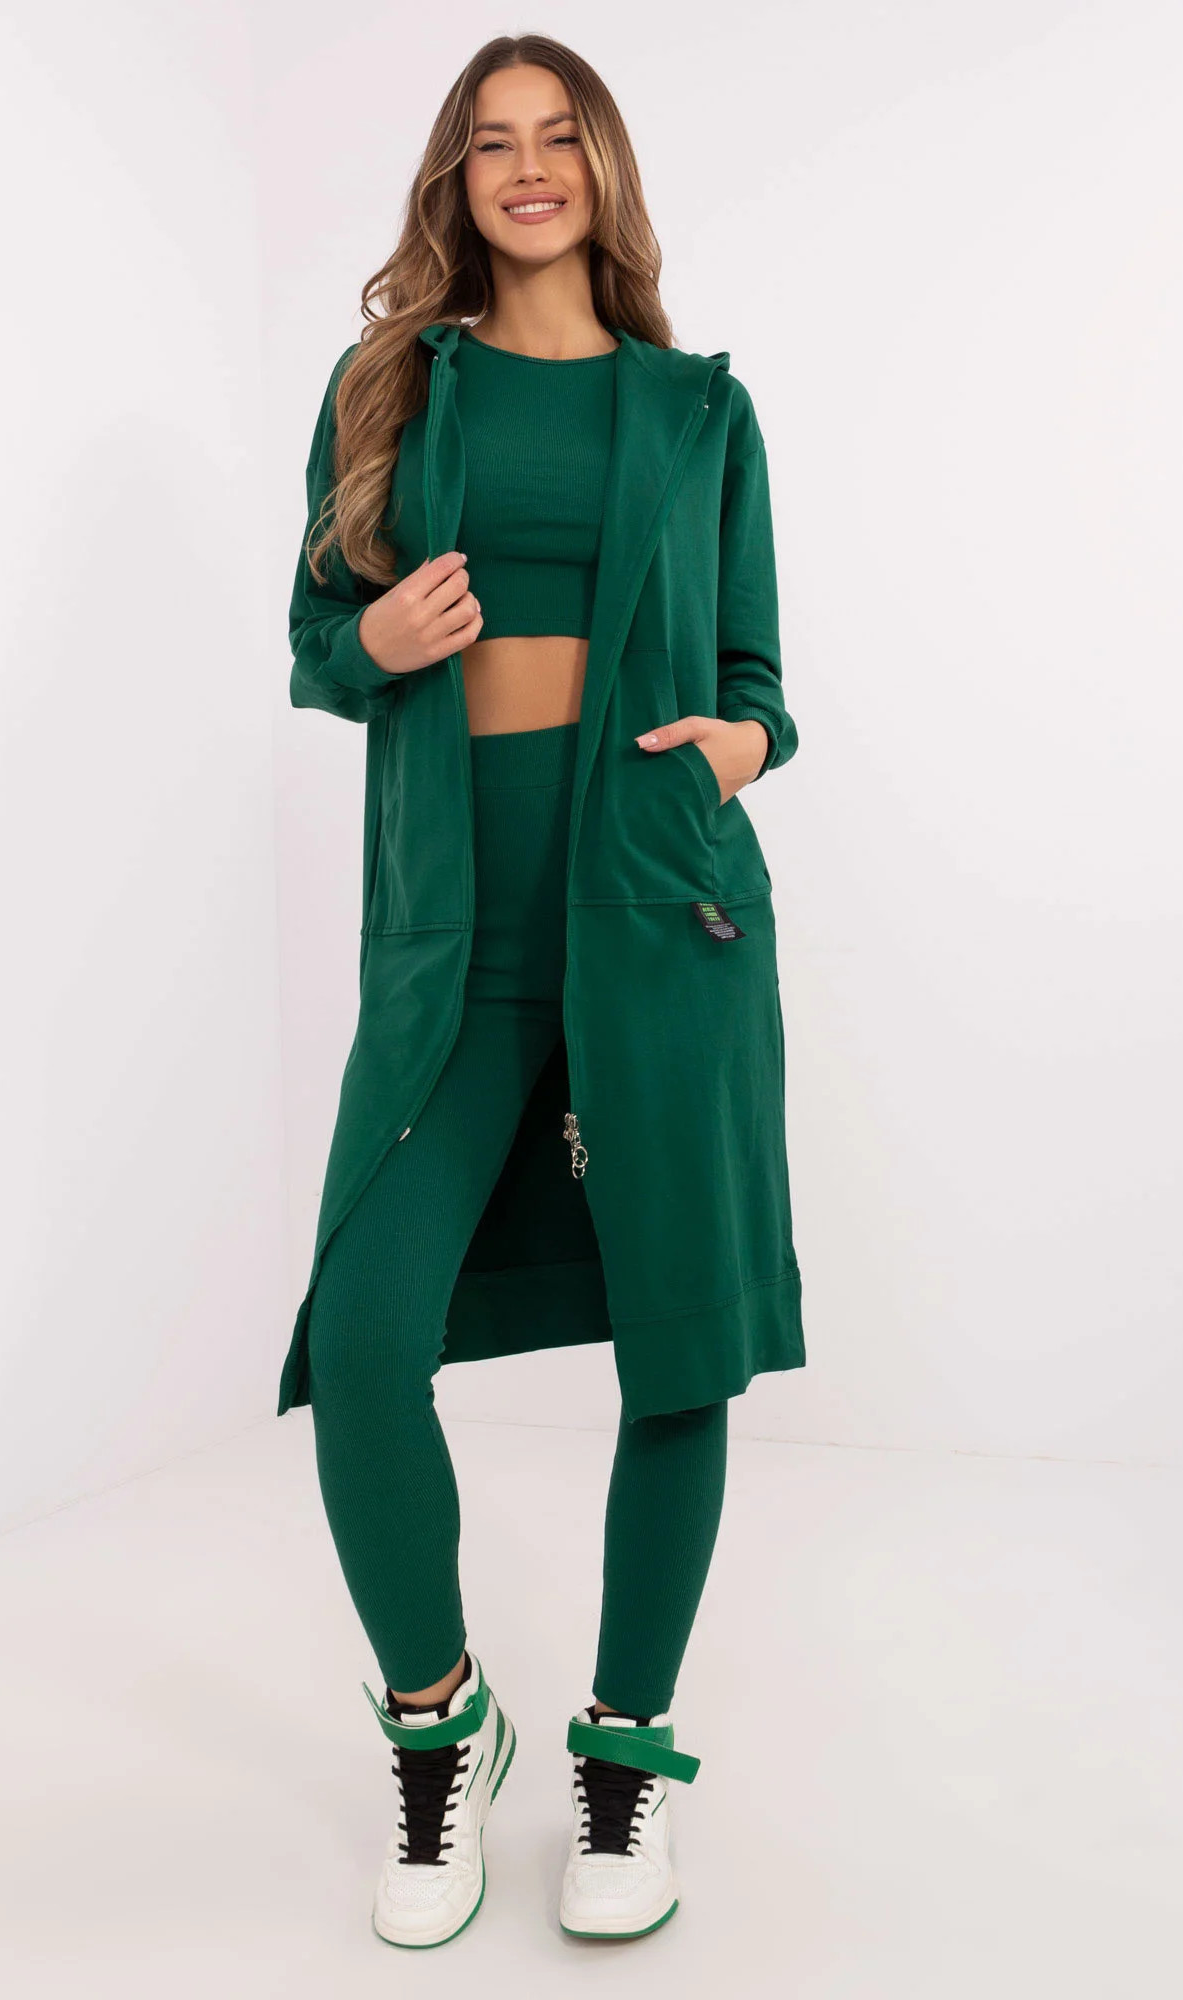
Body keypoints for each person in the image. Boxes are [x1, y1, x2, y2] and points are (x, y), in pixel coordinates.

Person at [282, 33, 804, 1948]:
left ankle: (625, 1764)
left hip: (661, 926)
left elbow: (763, 683)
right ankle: (442, 1729)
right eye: (492, 142)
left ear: (601, 169)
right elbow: (314, 644)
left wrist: (735, 749)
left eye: (557, 136)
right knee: (364, 1340)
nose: (527, 167)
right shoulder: (390, 387)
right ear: (458, 178)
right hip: (462, 955)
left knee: (679, 1345)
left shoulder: (697, 409)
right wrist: (378, 635)